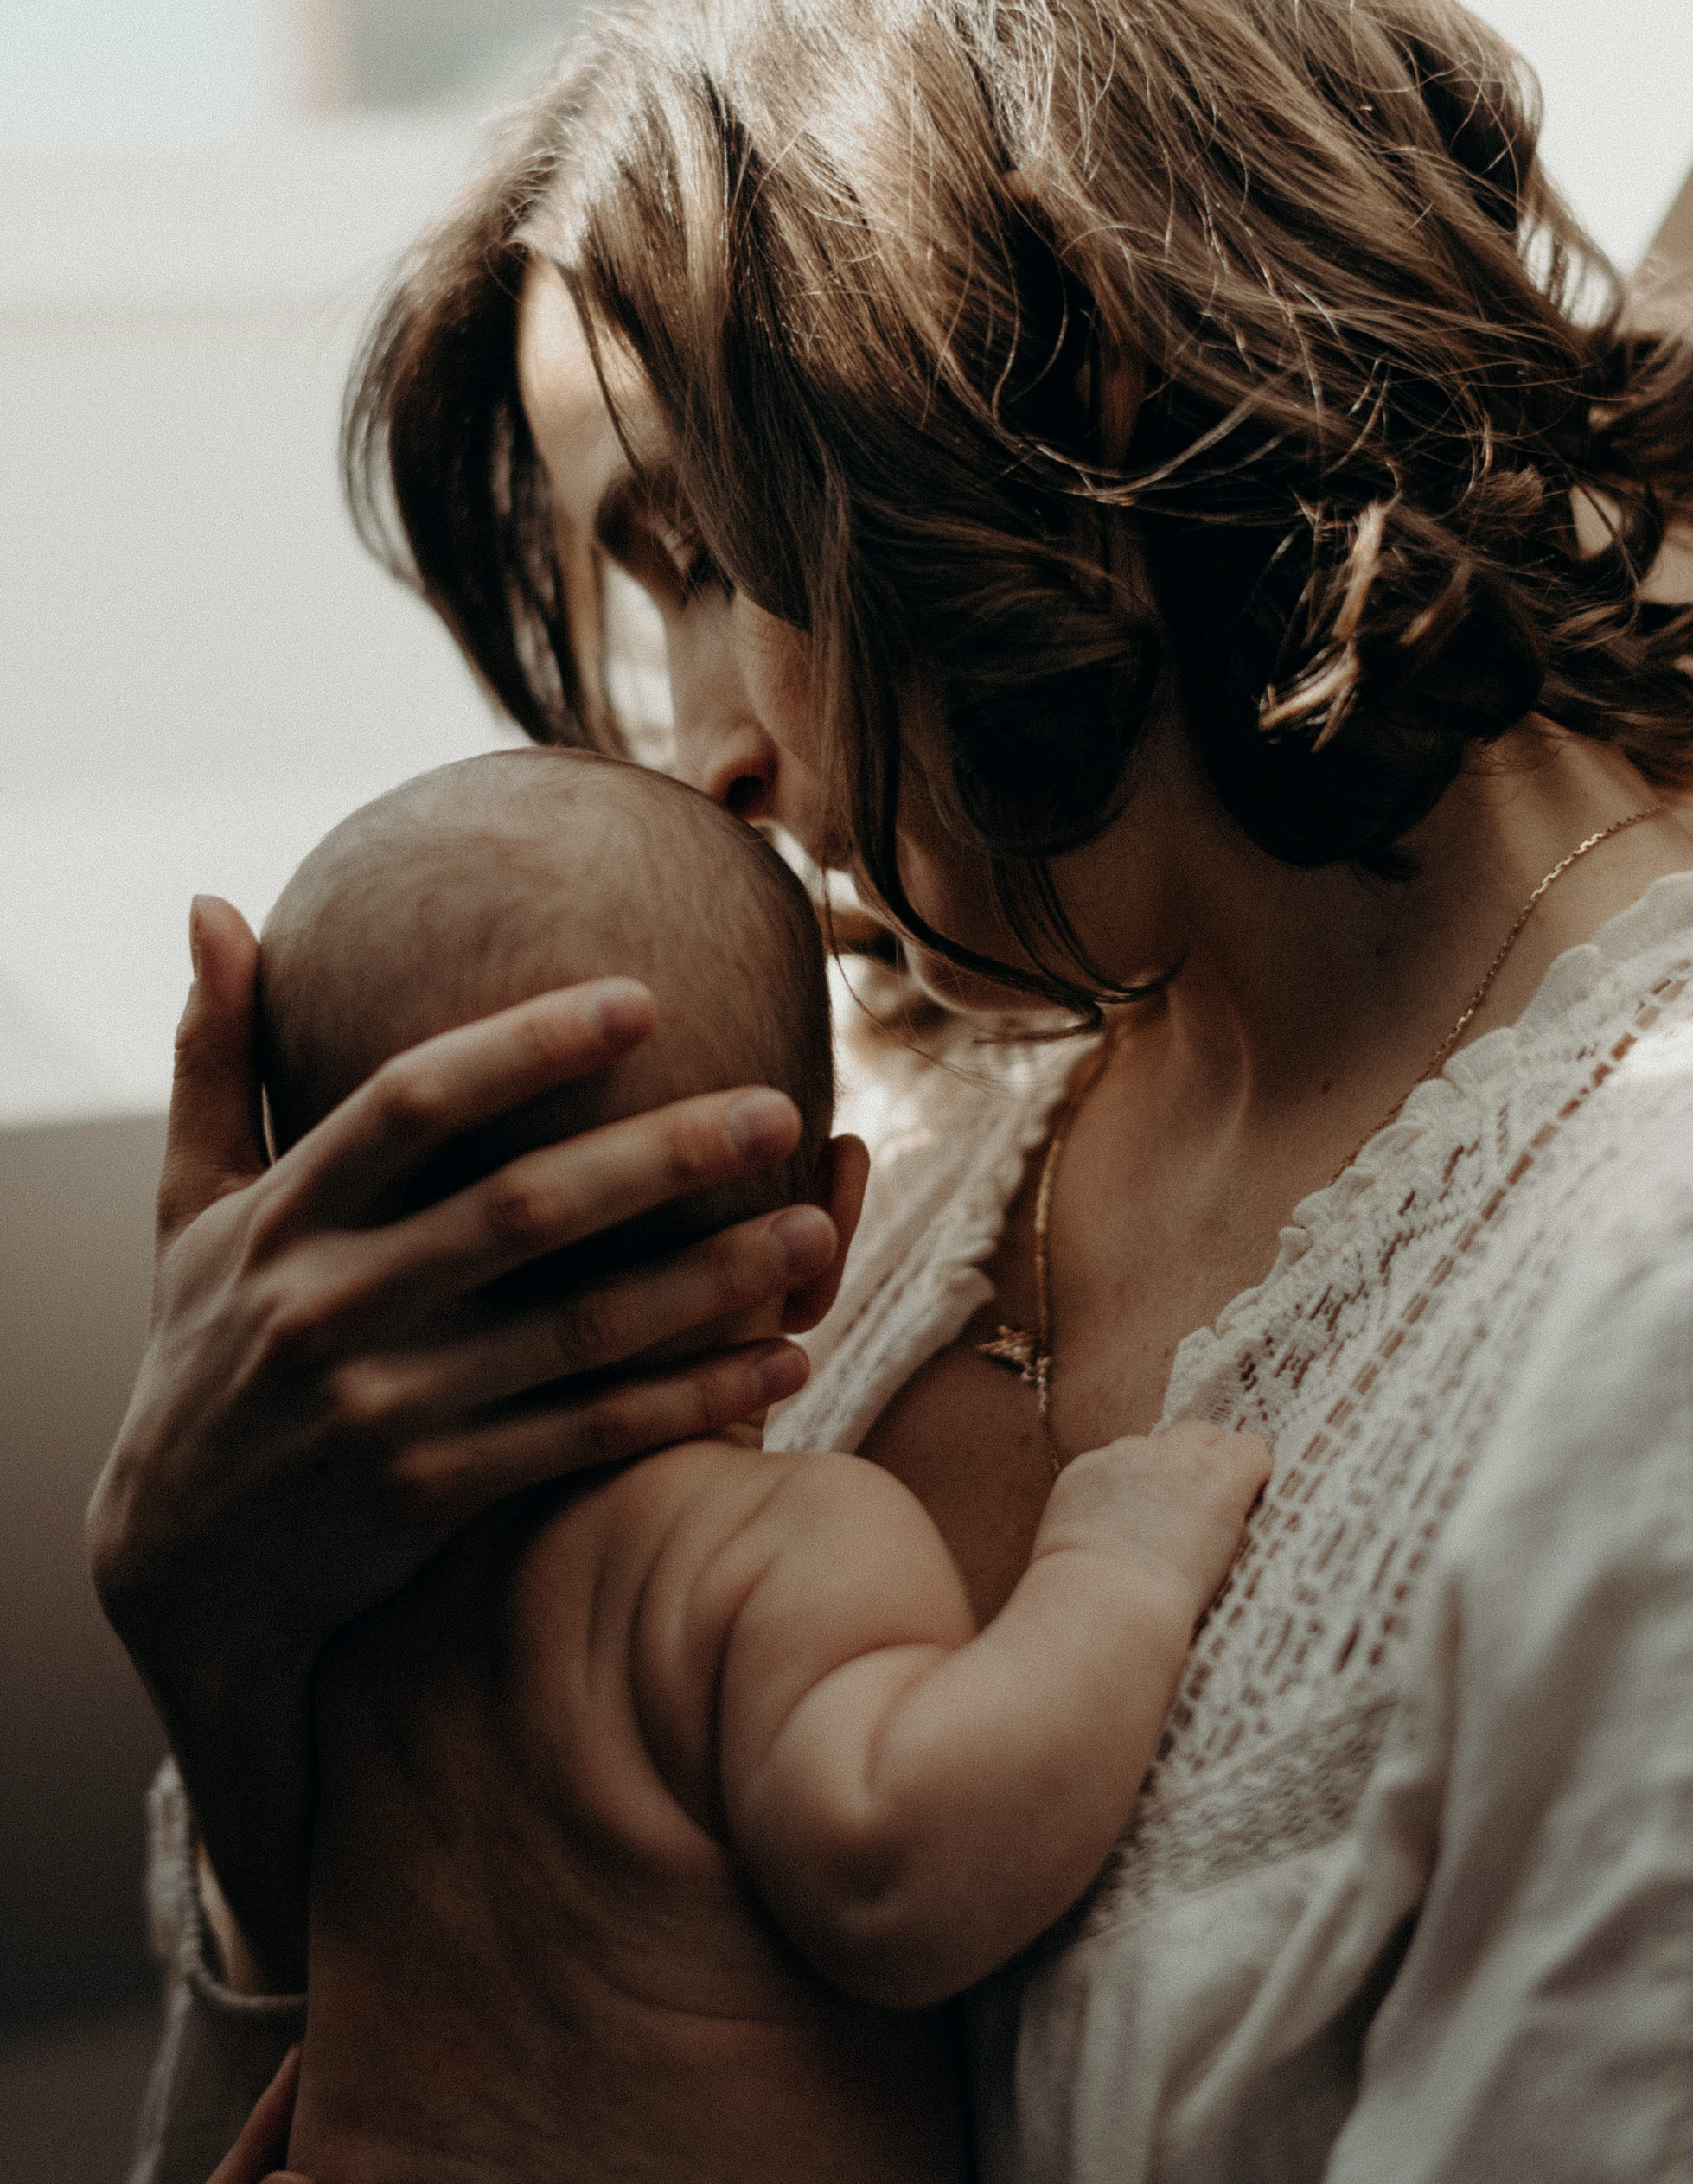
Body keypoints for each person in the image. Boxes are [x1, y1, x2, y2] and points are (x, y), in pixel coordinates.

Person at [97, 0, 1693, 2184]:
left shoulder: (1690, 1284)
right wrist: (243, 1655)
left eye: (694, 550)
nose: (712, 749)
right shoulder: (849, 1187)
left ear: (1060, 367)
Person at [244, 744, 1266, 2182]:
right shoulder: (761, 1541)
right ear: (829, 1226)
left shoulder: (348, 1601)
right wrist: (1120, 1564)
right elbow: (893, 1865)